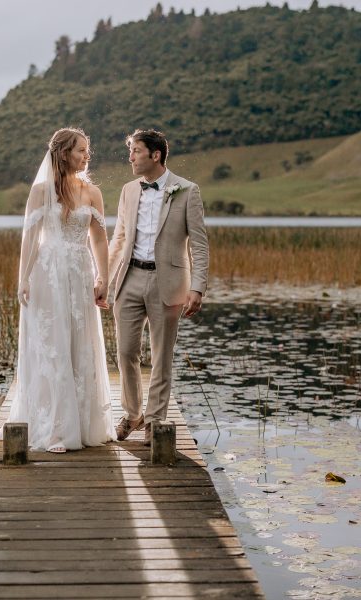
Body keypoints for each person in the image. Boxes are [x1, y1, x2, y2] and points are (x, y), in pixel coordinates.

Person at [8, 127, 115, 453]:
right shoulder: (41, 190)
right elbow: (30, 237)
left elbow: (98, 238)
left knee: (78, 343)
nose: (87, 155)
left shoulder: (92, 192)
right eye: (81, 150)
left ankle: (81, 424)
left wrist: (103, 277)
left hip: (79, 272)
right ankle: (53, 428)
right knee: (50, 343)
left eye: (87, 149)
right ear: (64, 153)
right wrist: (22, 278)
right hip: (48, 274)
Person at [103, 129, 209, 446]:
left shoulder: (187, 191)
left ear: (155, 155)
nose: (131, 157)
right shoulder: (127, 191)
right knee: (125, 353)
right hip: (129, 278)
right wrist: (104, 281)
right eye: (131, 151)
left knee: (162, 356)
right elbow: (119, 238)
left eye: (136, 151)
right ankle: (132, 414)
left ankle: (155, 420)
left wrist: (198, 287)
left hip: (170, 283)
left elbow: (200, 246)